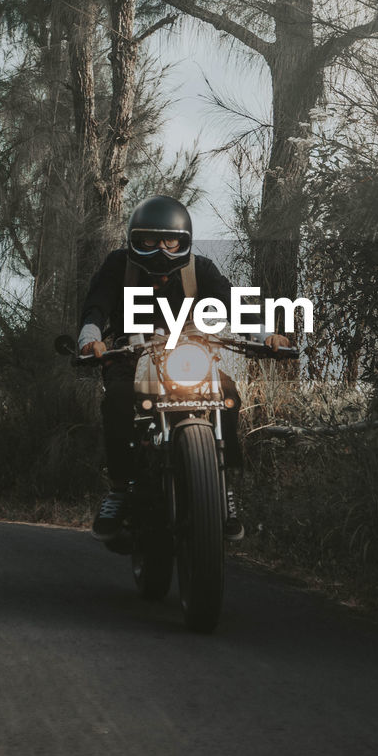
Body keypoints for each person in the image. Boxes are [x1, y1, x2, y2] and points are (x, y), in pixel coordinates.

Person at [78, 195, 289, 544]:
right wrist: (91, 339)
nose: (161, 249)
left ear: (184, 241)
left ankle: (221, 488)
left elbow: (233, 303)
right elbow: (96, 306)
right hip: (131, 354)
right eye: (150, 240)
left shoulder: (200, 269)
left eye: (170, 240)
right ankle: (119, 488)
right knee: (117, 399)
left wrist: (266, 336)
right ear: (135, 239)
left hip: (187, 355)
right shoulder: (118, 266)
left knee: (228, 395)